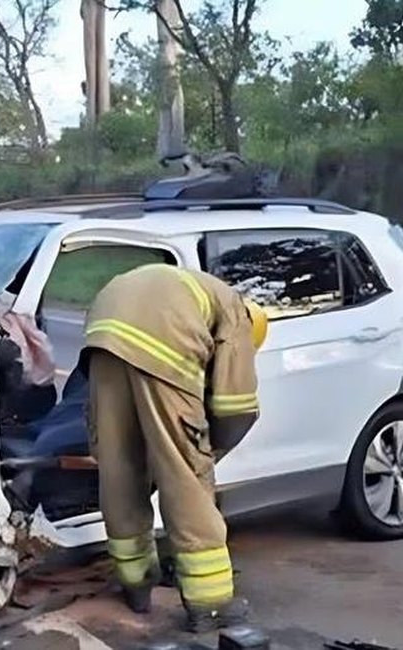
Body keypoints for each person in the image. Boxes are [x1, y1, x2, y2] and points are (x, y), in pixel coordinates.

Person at [82, 263, 268, 633]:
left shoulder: (195, 287)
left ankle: (135, 582)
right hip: (162, 336)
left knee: (120, 465)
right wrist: (206, 449)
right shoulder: (237, 313)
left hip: (103, 331)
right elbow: (237, 404)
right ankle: (211, 605)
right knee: (185, 476)